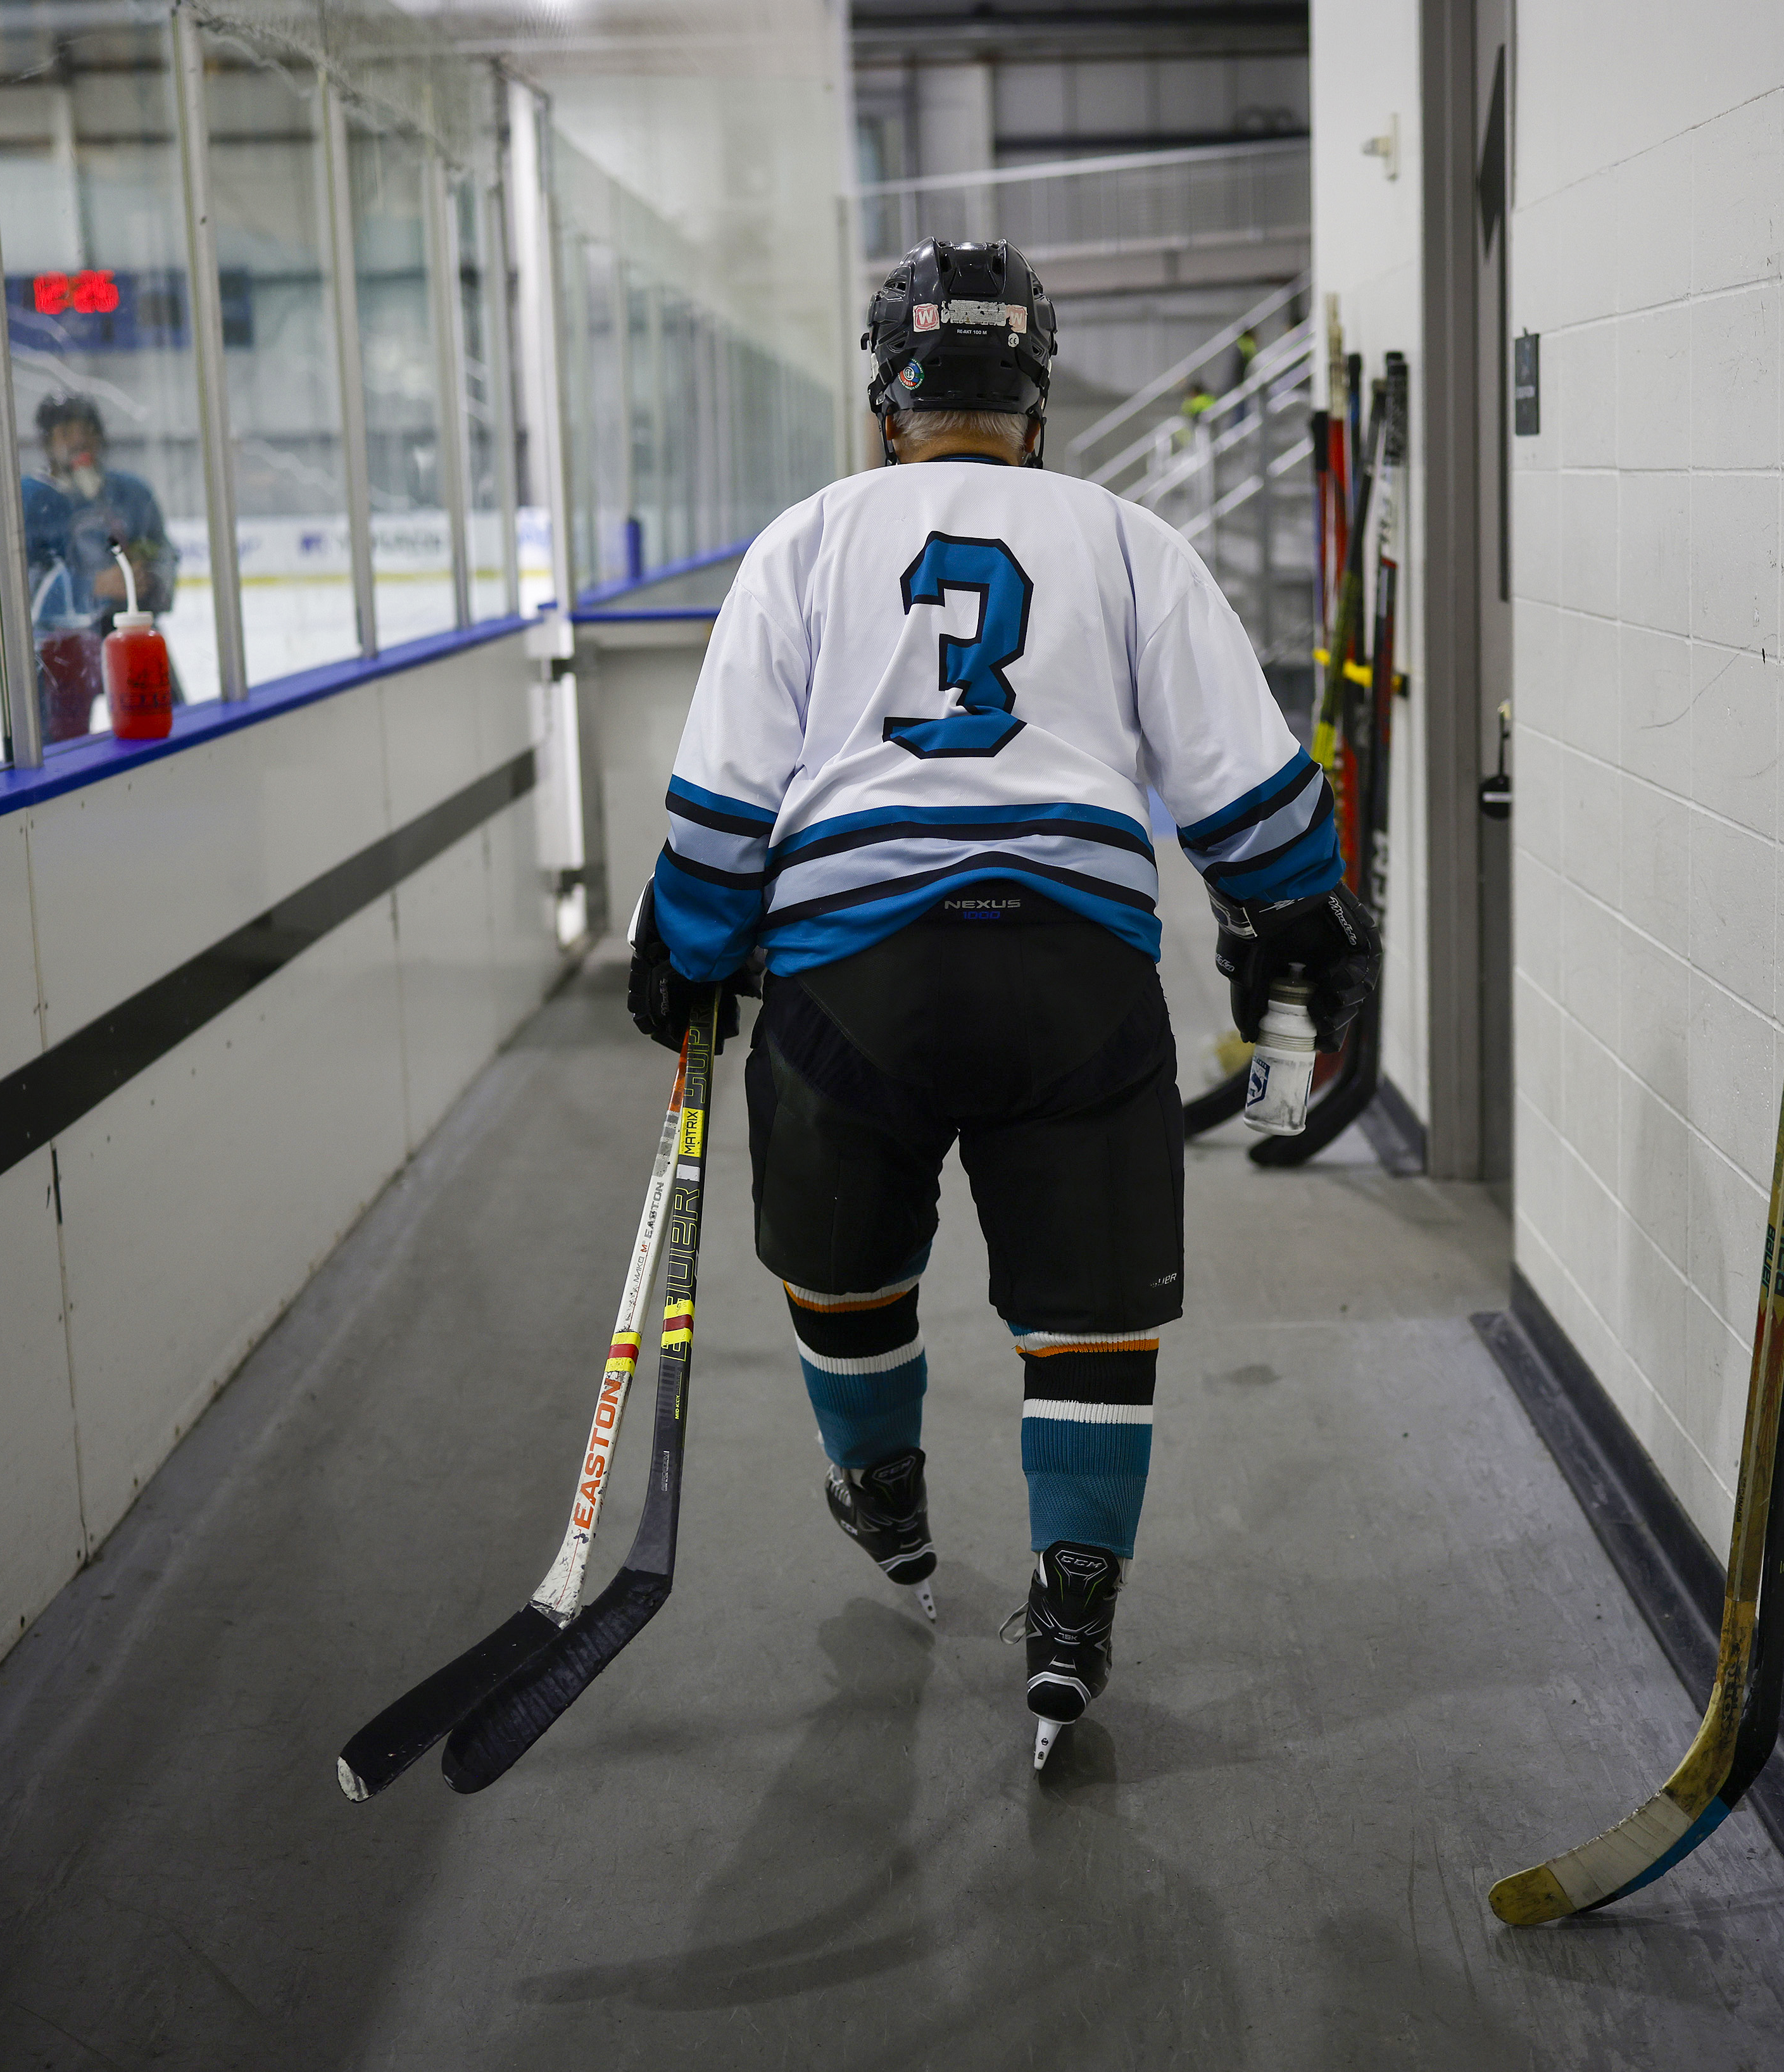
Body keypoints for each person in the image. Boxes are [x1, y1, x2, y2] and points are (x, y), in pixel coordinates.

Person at [625, 237, 1378, 1769]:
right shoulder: (1124, 541)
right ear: (1033, 396)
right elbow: (1249, 793)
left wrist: (688, 948)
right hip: (1076, 977)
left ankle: (883, 1488)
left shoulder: (804, 540)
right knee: (1086, 1317)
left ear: (881, 396)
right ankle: (1074, 1603)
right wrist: (1288, 923)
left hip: (854, 984)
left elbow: (721, 802)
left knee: (843, 1278)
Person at [20, 392, 179, 742]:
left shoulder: (131, 492)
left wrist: (148, 579)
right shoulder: (28, 499)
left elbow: (163, 551)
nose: (78, 441)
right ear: (47, 442)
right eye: (66, 433)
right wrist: (92, 587)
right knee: (59, 751)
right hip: (59, 648)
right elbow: (20, 586)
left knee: (165, 729)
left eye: (86, 431)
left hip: (132, 637)